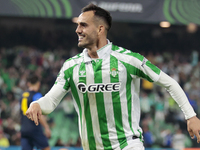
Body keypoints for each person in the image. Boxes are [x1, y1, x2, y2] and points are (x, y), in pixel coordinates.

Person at [26, 3, 200, 150]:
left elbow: (169, 82)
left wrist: (191, 116)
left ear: (100, 29)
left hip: (128, 145)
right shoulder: (71, 66)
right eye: (78, 25)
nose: (77, 30)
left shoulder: (128, 60)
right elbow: (51, 100)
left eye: (83, 25)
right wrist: (37, 104)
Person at [19, 74, 51, 150]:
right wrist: (46, 127)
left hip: (24, 129)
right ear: (38, 83)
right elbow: (39, 114)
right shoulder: (37, 95)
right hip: (34, 128)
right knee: (46, 148)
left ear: (28, 83)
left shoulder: (23, 95)